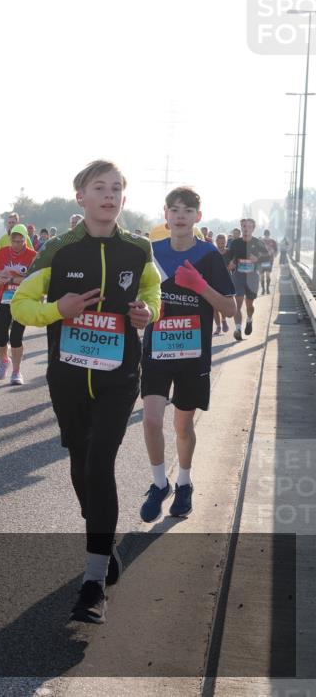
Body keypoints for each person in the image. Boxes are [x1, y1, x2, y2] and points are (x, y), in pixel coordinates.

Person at [11, 160, 161, 624]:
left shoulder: (137, 248)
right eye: (100, 188)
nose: (110, 195)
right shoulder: (57, 250)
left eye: (117, 188)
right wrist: (60, 307)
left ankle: (93, 582)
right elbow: (21, 307)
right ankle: (104, 536)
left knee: (100, 463)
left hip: (119, 377)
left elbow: (154, 293)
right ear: (81, 196)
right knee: (81, 464)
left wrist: (146, 314)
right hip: (69, 378)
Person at [138, 188, 235, 523]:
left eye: (187, 210)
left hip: (192, 354)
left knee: (182, 425)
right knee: (150, 419)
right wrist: (145, 308)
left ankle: (184, 482)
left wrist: (200, 286)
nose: (180, 215)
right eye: (174, 209)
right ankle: (158, 483)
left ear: (198, 217)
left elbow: (229, 308)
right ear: (165, 214)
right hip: (156, 349)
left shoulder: (209, 256)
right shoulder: (151, 253)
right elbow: (136, 298)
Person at [0, 224, 37, 384]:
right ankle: (4, 360)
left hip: (22, 300)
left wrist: (11, 279)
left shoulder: (32, 256)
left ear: (25, 240)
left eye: (20, 241)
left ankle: (16, 372)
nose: (16, 244)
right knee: (0, 337)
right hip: (4, 299)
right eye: (14, 241)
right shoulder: (3, 253)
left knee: (16, 337)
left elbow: (32, 280)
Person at [226, 218, 268, 341]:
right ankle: (238, 329)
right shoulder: (234, 243)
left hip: (252, 277)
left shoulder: (258, 243)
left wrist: (258, 260)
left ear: (253, 229)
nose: (246, 228)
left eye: (249, 226)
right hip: (238, 276)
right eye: (244, 226)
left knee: (249, 305)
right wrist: (230, 264)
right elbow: (228, 258)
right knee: (237, 304)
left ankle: (249, 319)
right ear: (241, 227)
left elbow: (267, 259)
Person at [213, 233, 230, 334]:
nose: (221, 244)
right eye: (219, 243)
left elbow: (235, 263)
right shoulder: (213, 252)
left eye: (223, 242)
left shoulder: (229, 252)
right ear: (216, 242)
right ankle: (218, 327)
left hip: (226, 282)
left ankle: (223, 320)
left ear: (226, 242)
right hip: (214, 281)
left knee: (222, 305)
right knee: (214, 306)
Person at [260, 229, 278, 294]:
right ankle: (267, 289)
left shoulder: (261, 241)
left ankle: (264, 290)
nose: (266, 236)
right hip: (268, 260)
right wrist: (273, 254)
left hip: (262, 261)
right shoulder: (272, 241)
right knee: (267, 275)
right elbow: (276, 251)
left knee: (262, 276)